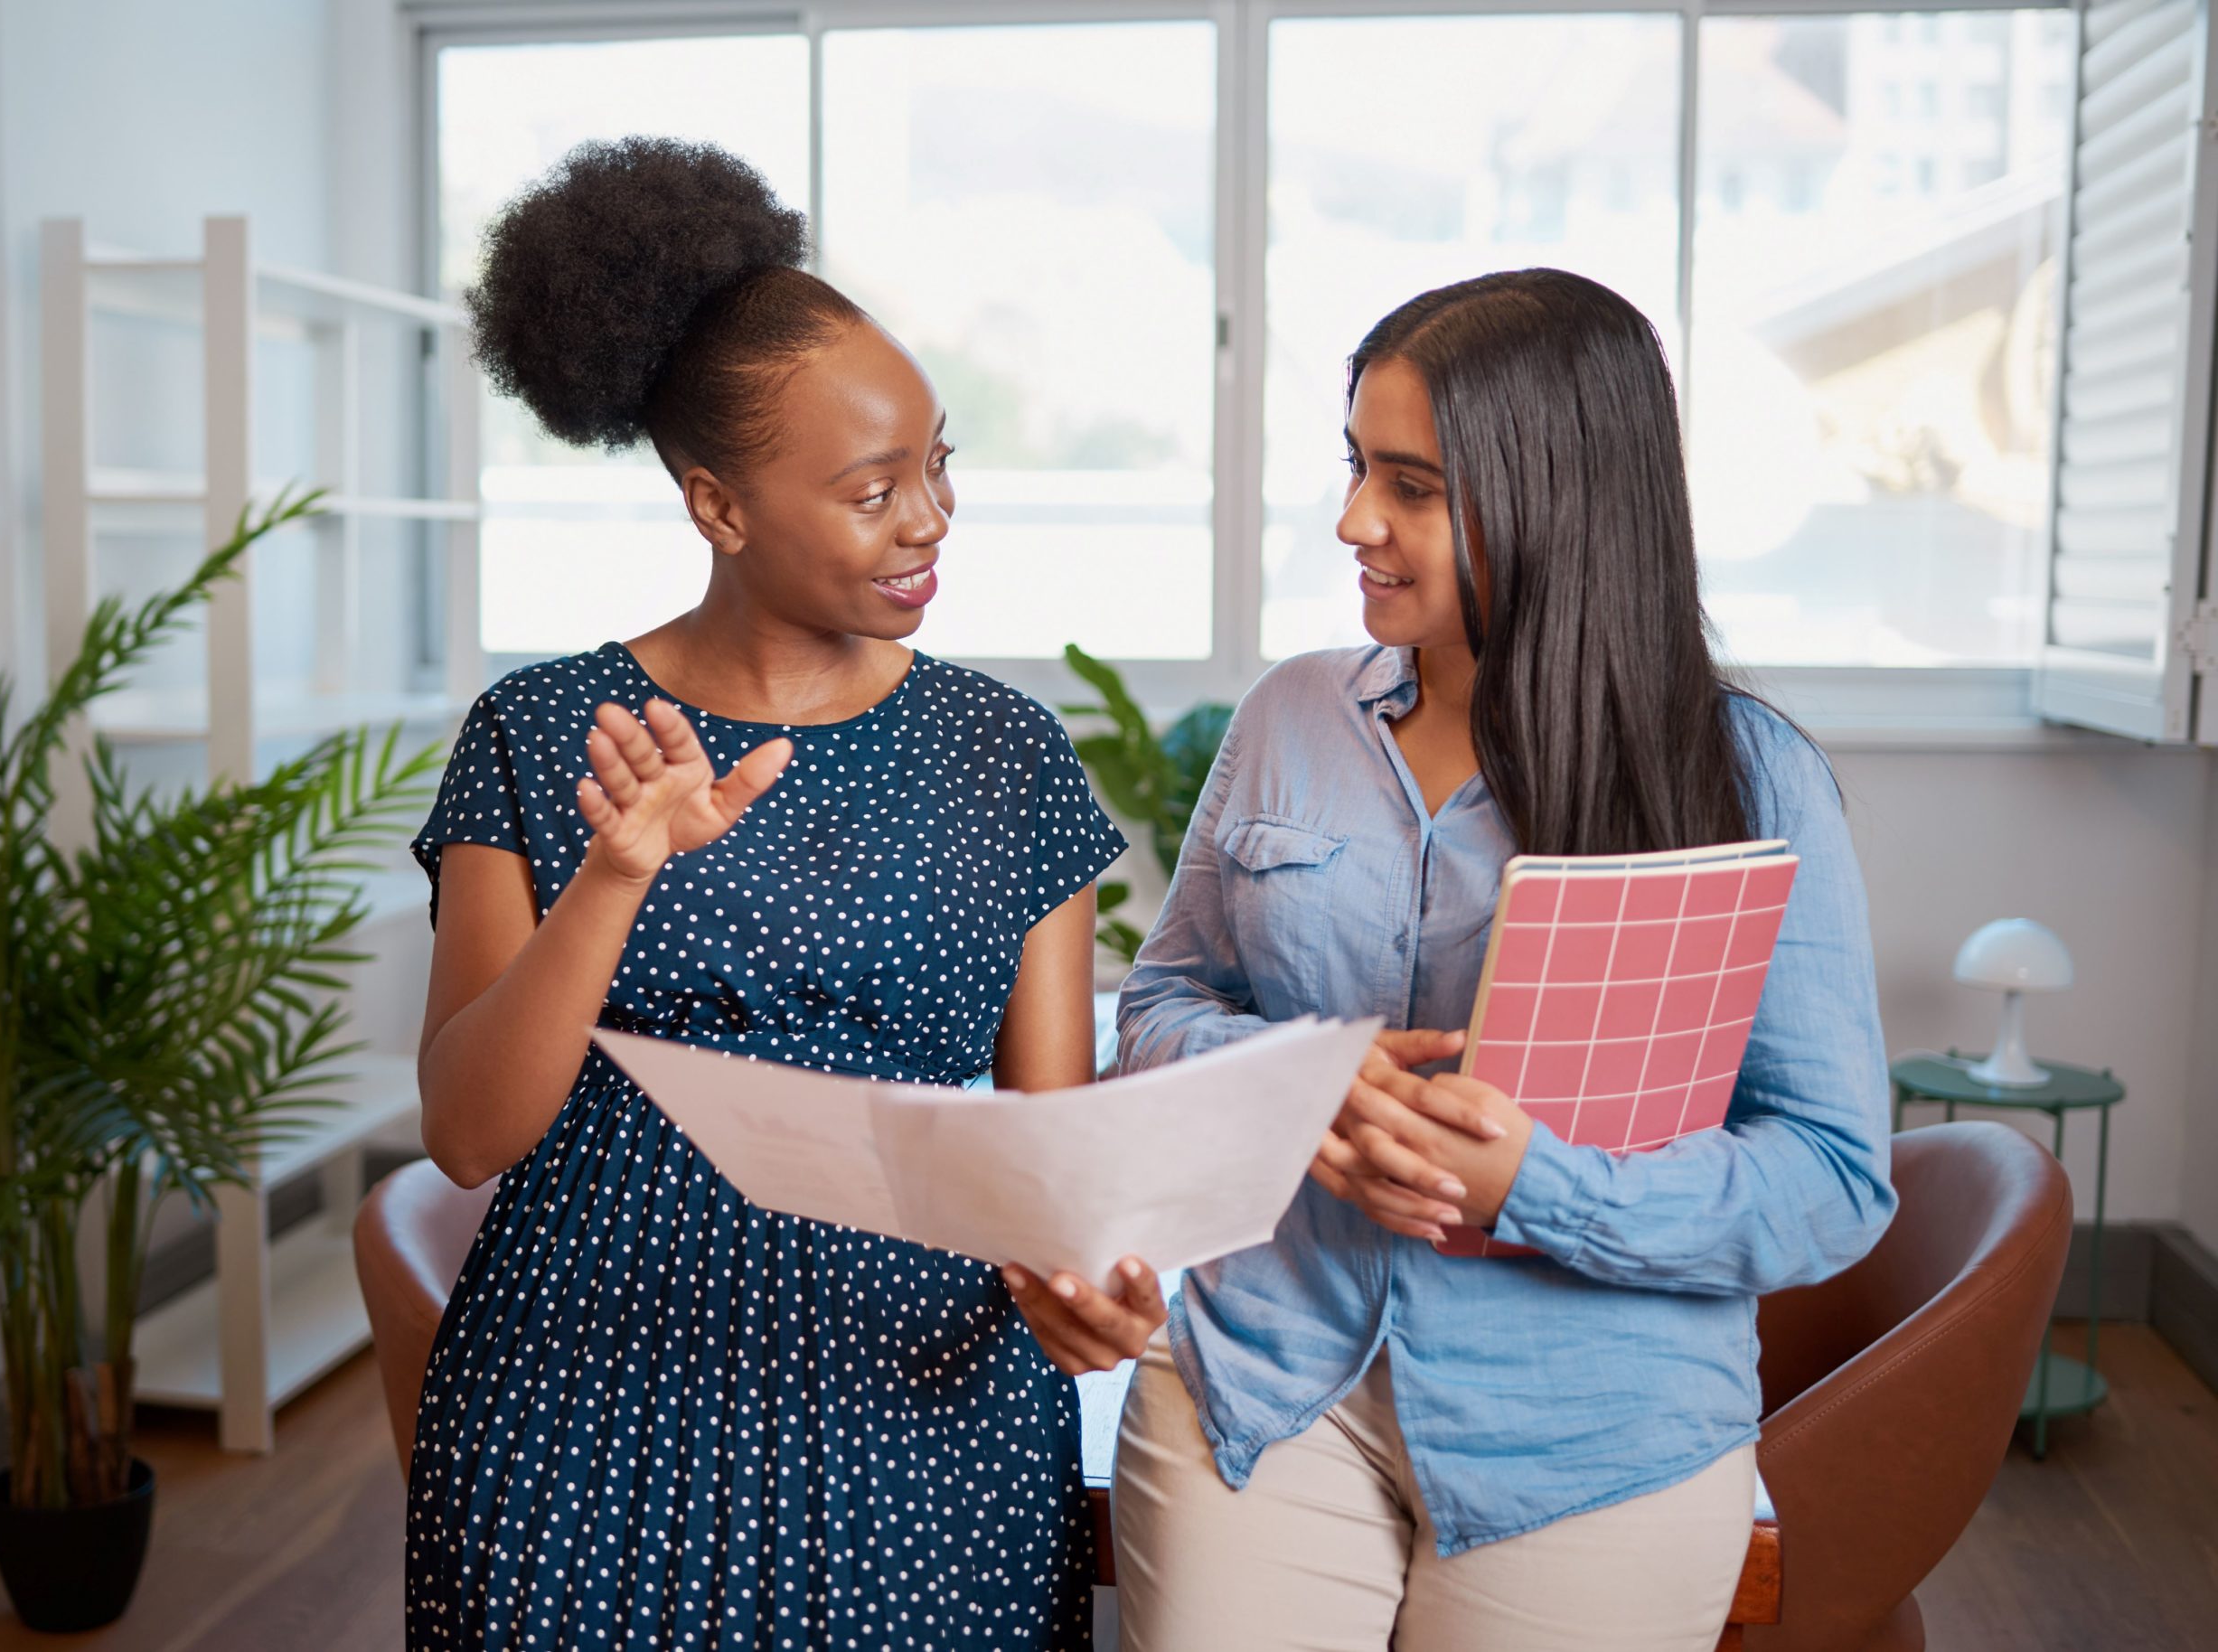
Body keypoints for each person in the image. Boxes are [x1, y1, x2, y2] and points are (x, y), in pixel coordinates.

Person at [405, 136, 1163, 1651]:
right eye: (875, 488)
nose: (931, 518)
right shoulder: (547, 735)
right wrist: (615, 875)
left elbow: (1050, 1159)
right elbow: (471, 1133)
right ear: (718, 507)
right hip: (588, 1408)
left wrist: (1082, 1289)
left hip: (925, 1417)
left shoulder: (1003, 754)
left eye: (939, 463)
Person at [1109, 268, 1896, 1652]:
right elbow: (1165, 1005)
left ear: (1556, 493)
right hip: (1272, 1382)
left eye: (1410, 485)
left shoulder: (1745, 780)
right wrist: (1300, 1081)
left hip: (1600, 1431)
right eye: (1356, 467)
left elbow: (1831, 1178)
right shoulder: (1291, 715)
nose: (1355, 521)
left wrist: (1538, 1186)